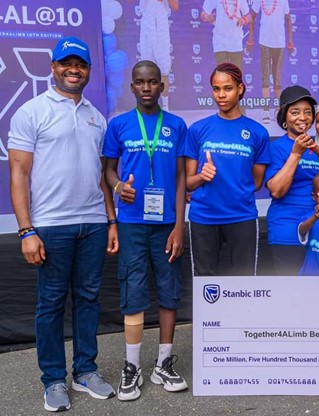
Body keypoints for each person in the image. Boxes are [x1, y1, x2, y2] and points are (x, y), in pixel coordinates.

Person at [8, 36, 117, 412]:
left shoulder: (95, 116)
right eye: (66, 63)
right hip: (50, 225)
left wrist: (110, 219)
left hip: (92, 222)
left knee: (88, 300)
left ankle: (85, 372)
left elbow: (101, 176)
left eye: (81, 64)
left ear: (88, 70)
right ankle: (53, 380)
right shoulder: (32, 111)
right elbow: (19, 173)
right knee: (51, 304)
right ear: (53, 66)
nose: (74, 70)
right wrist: (27, 230)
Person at [103, 60, 188, 401]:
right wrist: (119, 184)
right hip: (132, 224)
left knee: (169, 291)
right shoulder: (119, 125)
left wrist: (180, 225)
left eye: (153, 81)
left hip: (167, 224)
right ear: (132, 87)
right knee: (133, 292)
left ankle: (163, 364)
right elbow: (107, 171)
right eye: (140, 82)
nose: (147, 87)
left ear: (162, 86)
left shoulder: (177, 125)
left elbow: (183, 177)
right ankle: (132, 366)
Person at [184, 63, 270, 276]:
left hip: (242, 216)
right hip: (204, 217)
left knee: (243, 283)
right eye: (216, 89)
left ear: (240, 89)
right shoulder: (197, 129)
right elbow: (188, 182)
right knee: (206, 284)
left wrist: (234, 185)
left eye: (227, 88)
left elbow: (257, 182)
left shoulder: (257, 132)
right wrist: (202, 176)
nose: (221, 95)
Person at [265, 85, 319, 274]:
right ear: (284, 119)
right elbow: (277, 190)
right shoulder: (277, 148)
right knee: (290, 293)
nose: (302, 117)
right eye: (295, 112)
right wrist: (296, 153)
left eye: (307, 112)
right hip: (286, 229)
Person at [246, 0, 294, 124]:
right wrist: (250, 37)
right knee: (265, 77)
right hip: (264, 42)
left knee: (277, 77)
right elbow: (252, 17)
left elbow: (288, 19)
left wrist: (290, 40)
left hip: (279, 43)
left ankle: (277, 109)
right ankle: (266, 110)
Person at [138, 0, 179, 110]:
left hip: (161, 27)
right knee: (146, 70)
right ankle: (148, 106)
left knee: (163, 70)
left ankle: (166, 107)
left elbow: (175, 6)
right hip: (147, 27)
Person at [201, 0, 250, 70]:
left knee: (236, 76)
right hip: (220, 41)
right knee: (223, 75)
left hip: (236, 42)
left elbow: (248, 16)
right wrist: (207, 16)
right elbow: (203, 13)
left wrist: (244, 20)